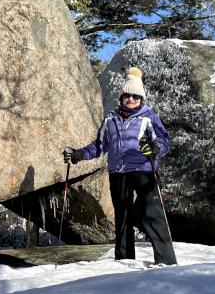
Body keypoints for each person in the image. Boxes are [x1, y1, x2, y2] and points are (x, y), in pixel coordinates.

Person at [62, 67, 177, 265]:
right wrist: (78, 154)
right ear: (121, 97)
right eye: (127, 95)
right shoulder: (110, 119)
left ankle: (166, 260)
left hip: (143, 171)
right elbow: (99, 146)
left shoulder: (149, 117)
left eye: (135, 96)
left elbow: (164, 140)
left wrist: (154, 149)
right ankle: (124, 260)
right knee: (122, 217)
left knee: (152, 213)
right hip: (118, 173)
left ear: (141, 98)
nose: (131, 99)